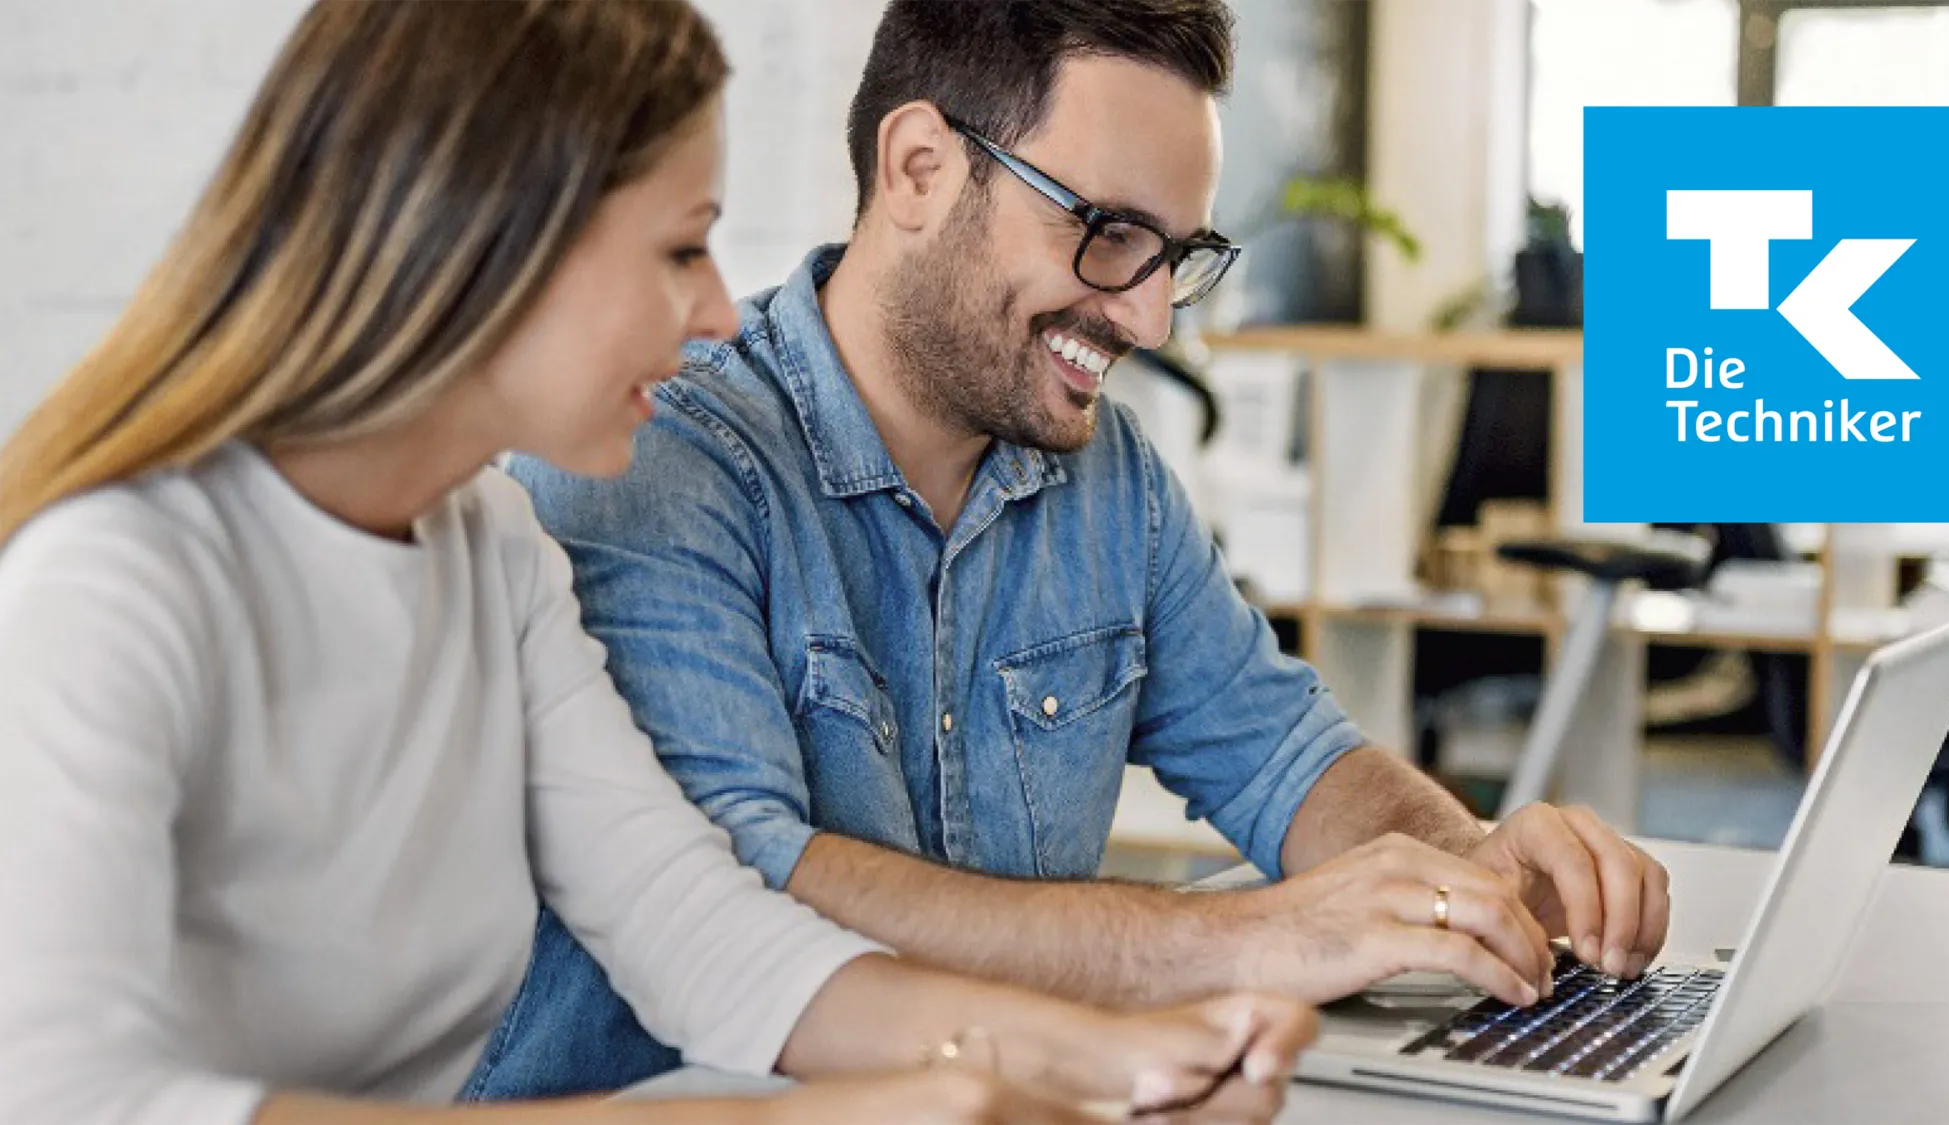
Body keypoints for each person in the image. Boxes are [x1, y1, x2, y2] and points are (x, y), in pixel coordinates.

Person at [0, 4, 1319, 1123]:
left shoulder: (492, 552)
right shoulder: (116, 582)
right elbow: (77, 1098)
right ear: (489, 244)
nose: (710, 307)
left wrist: (1117, 1055)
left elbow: (703, 933)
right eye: (680, 246)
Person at [492, 0, 1675, 1100]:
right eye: (1107, 233)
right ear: (918, 168)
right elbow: (743, 889)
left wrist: (1466, 873)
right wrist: (1255, 937)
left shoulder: (1106, 479)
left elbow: (1287, 753)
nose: (1151, 317)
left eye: (1176, 255)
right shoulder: (656, 453)